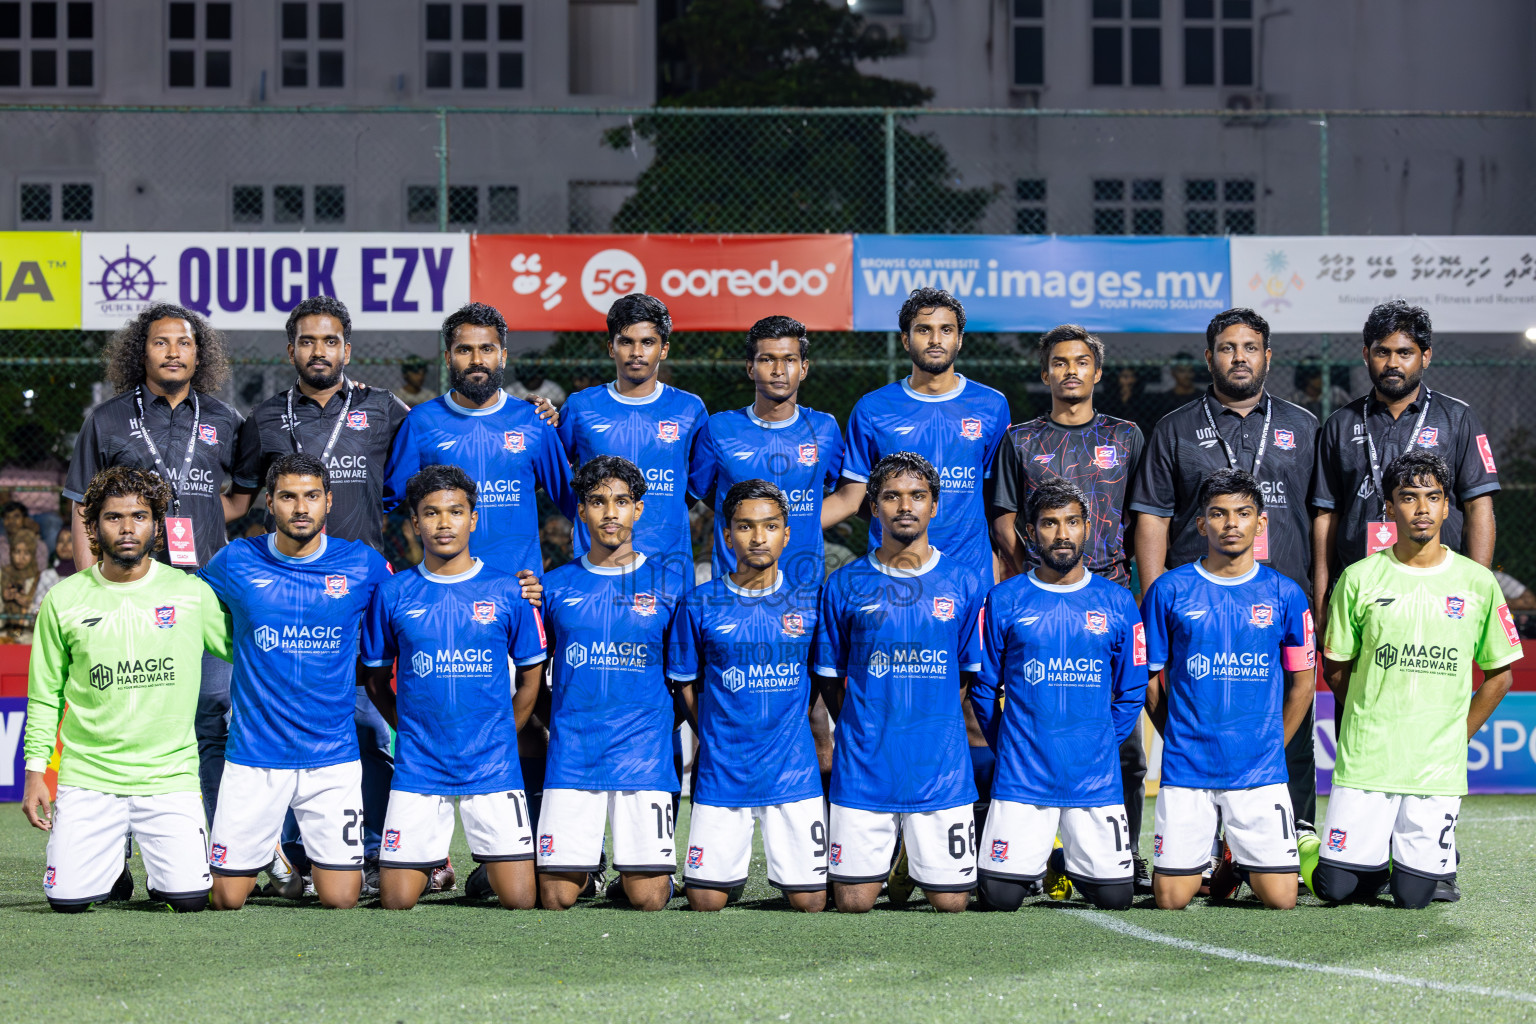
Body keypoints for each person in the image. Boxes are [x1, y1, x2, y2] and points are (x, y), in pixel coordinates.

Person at [821, 287, 1010, 869]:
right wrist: (778, 523)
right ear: (906, 340)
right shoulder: (874, 409)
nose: (936, 340)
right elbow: (854, 496)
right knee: (883, 710)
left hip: (968, 585)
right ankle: (885, 844)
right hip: (889, 586)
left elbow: (998, 502)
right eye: (924, 330)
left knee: (977, 718)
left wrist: (1009, 575)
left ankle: (988, 848)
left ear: (959, 337)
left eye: (946, 329)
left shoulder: (992, 406)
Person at [63, 303, 259, 822]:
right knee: (126, 720)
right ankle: (114, 856)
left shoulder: (226, 420)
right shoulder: (106, 420)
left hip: (205, 594)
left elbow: (238, 502)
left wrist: (193, 513)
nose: (174, 351)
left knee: (214, 715)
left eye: (185, 343)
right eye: (161, 342)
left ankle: (220, 848)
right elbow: (83, 506)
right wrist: (90, 586)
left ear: (200, 354)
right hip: (128, 591)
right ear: (140, 351)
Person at [244, 296, 412, 892]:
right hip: (287, 602)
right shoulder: (262, 418)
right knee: (291, 726)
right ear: (291, 350)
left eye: (330, 341)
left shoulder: (385, 409)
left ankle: (378, 848)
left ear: (348, 349)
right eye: (307, 341)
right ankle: (296, 854)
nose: (320, 351)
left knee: (369, 725)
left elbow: (433, 472)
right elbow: (239, 502)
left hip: (360, 598)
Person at [1131, 307, 1321, 829]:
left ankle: (1293, 838)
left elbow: (1322, 520)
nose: (1239, 357)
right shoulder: (1174, 428)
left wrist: (1319, 596)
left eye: (1250, 347)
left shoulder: (1303, 426)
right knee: (1195, 727)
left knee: (1291, 731)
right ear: (1209, 357)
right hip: (1197, 611)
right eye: (1227, 348)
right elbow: (1151, 520)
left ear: (1267, 356)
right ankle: (1207, 845)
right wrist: (1155, 606)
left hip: (1278, 606)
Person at [1306, 451, 1522, 909]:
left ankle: (1396, 863)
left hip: (1435, 768)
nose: (1421, 509)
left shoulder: (1477, 582)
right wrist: (1369, 713)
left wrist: (1455, 736)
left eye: (1433, 498)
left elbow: (1500, 676)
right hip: (1369, 758)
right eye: (1408, 498)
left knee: (1413, 898)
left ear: (1448, 507)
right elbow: (1335, 666)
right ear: (1389, 507)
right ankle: (1309, 849)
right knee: (1336, 889)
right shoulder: (1360, 578)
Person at [22, 466, 231, 912]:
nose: (127, 528)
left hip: (168, 777)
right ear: (94, 525)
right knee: (66, 903)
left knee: (190, 900)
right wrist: (36, 771)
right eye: (114, 517)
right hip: (90, 778)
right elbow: (43, 695)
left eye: (139, 515)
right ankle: (111, 855)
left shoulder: (191, 593)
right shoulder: (64, 599)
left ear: (157, 524)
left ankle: (162, 864)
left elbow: (245, 651)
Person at [988, 324, 1151, 888]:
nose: (1071, 371)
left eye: (1082, 362)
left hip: (1109, 599)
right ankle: (1026, 859)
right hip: (1041, 593)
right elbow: (1004, 517)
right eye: (1059, 363)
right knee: (1029, 734)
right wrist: (1037, 569)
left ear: (1097, 372)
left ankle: (1123, 850)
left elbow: (1144, 517)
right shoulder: (1020, 439)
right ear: (1046, 373)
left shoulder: (1127, 436)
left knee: (1124, 747)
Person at [197, 453, 393, 911]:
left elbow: (416, 596)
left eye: (310, 497)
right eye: (288, 497)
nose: (300, 508)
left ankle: (274, 848)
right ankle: (269, 850)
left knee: (341, 898)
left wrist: (513, 591)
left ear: (329, 501)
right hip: (254, 755)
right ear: (270, 502)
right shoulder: (237, 560)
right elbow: (186, 603)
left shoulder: (363, 564)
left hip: (332, 756)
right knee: (227, 899)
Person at [360, 464, 549, 910]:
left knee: (521, 901)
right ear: (414, 523)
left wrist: (506, 732)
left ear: (473, 518)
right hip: (420, 766)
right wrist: (406, 728)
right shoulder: (393, 593)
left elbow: (530, 676)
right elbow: (373, 678)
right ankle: (429, 865)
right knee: (395, 902)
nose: (444, 523)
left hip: (492, 766)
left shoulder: (509, 590)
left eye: (455, 512)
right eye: (431, 513)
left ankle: (486, 869)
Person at [812, 452, 986, 914]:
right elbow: (831, 679)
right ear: (873, 506)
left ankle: (912, 852)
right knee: (852, 904)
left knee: (951, 904)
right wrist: (864, 724)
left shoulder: (965, 583)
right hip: (865, 770)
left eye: (917, 496)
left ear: (935, 505)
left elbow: (967, 675)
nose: (904, 506)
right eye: (891, 496)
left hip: (940, 770)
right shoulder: (844, 583)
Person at [1141, 469, 1316, 910]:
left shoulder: (1286, 594)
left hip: (1259, 769)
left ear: (1261, 524)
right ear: (1202, 524)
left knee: (1281, 900)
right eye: (1218, 514)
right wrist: (1175, 735)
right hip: (1188, 768)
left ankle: (1234, 860)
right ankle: (1219, 856)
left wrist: (1274, 743)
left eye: (1243, 513)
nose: (1231, 523)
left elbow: (1303, 683)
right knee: (1170, 899)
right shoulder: (1169, 590)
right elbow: (1149, 681)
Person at [971, 478, 1146, 911]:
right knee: (998, 898)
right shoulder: (1003, 599)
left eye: (1072, 522)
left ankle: (1062, 860)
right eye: (1049, 524)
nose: (1062, 534)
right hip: (1023, 776)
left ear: (1088, 528)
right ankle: (1038, 860)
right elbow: (982, 687)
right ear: (1030, 532)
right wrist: (1009, 747)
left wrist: (1103, 740)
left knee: (1117, 898)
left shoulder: (1118, 601)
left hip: (1094, 778)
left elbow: (1132, 688)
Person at [535, 455, 688, 912]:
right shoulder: (554, 586)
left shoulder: (670, 584)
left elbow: (682, 678)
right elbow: (532, 671)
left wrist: (656, 723)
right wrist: (559, 720)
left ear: (638, 509)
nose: (610, 513)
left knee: (649, 900)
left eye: (621, 501)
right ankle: (584, 874)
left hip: (642, 756)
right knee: (556, 898)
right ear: (580, 510)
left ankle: (630, 873)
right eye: (597, 502)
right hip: (574, 755)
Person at [669, 479, 827, 913]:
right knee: (704, 901)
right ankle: (726, 876)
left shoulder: (811, 603)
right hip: (724, 772)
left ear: (787, 533)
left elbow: (821, 679)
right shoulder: (700, 603)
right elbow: (684, 681)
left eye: (770, 526)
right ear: (726, 535)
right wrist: (713, 732)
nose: (758, 537)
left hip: (791, 770)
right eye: (745, 527)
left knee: (812, 902)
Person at [1312, 300, 1500, 614]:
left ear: (1425, 356)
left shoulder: (1457, 418)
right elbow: (1326, 516)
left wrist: (1477, 590)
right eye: (1382, 352)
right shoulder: (1340, 423)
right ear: (1366, 355)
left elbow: (1478, 506)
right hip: (1360, 590)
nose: (1392, 364)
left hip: (1440, 592)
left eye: (1405, 353)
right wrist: (1320, 599)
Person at [386, 302, 574, 579]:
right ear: (448, 358)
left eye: (487, 349)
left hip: (519, 586)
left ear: (504, 356)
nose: (477, 359)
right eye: (465, 350)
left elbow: (574, 503)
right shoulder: (421, 422)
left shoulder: (534, 421)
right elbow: (384, 501)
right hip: (446, 583)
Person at [557, 294, 708, 582]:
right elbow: (556, 473)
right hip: (597, 564)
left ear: (663, 349)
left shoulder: (690, 409)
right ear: (611, 348)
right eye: (626, 341)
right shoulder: (581, 407)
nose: (636, 352)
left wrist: (664, 508)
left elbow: (694, 487)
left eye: (647, 342)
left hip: (668, 566)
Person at [689, 315, 845, 588]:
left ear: (804, 368)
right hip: (733, 587)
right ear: (750, 368)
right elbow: (703, 494)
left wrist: (801, 520)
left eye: (789, 359)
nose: (778, 370)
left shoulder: (825, 428)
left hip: (803, 587)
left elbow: (847, 494)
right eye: (767, 359)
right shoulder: (719, 428)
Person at [1, 526, 41, 640]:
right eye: (17, 552)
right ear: (11, 552)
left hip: (29, 632)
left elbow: (39, 606)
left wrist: (25, 601)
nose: (21, 558)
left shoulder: (38, 576)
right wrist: (4, 597)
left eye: (27, 553)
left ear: (33, 554)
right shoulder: (4, 574)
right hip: (4, 629)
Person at [32, 526, 75, 612]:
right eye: (60, 541)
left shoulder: (85, 576)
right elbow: (37, 607)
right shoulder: (47, 575)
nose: (64, 545)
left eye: (70, 540)